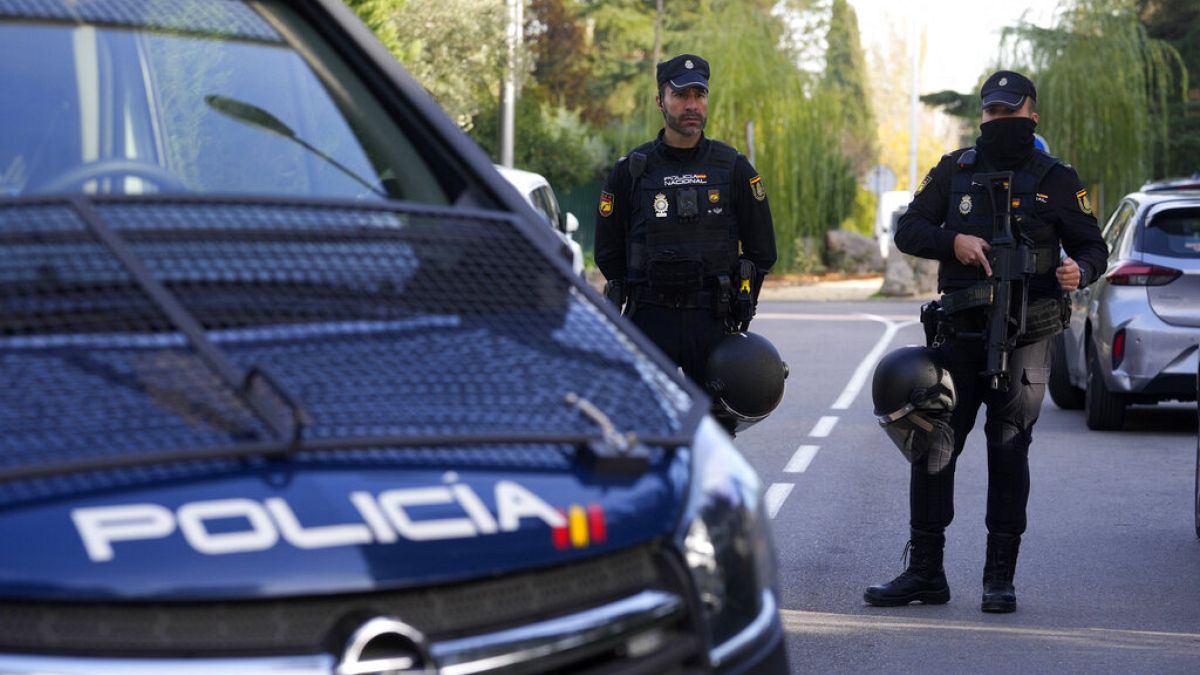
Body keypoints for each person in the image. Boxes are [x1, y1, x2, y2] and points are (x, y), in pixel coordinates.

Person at [864, 70, 1108, 613]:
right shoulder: (955, 171)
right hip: (960, 336)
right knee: (932, 448)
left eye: (1011, 112)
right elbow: (908, 230)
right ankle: (925, 573)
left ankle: (1000, 578)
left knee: (1008, 448)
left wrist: (1079, 271)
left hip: (1028, 336)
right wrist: (955, 239)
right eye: (992, 113)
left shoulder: (1057, 178)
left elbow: (1094, 247)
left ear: (1033, 115)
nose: (1000, 121)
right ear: (982, 116)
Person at [594, 54, 777, 431]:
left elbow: (762, 251)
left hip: (711, 320)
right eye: (680, 95)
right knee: (643, 433)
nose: (692, 104)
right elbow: (608, 250)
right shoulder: (631, 169)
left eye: (699, 94)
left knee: (714, 438)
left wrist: (741, 302)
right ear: (660, 101)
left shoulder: (733, 168)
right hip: (650, 319)